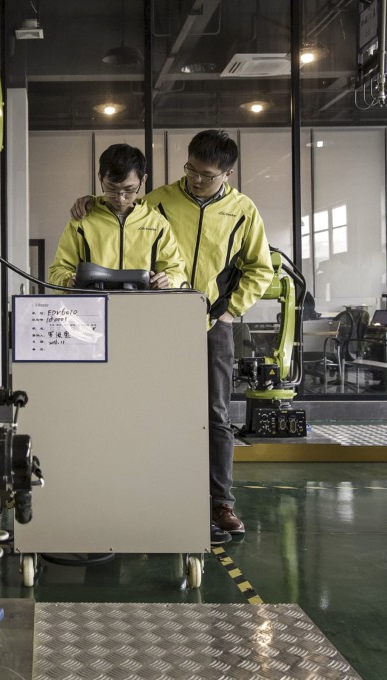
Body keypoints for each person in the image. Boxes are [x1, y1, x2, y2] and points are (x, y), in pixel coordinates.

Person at [70, 130, 273, 545]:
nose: (196, 181)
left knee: (216, 413)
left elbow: (260, 268)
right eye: (191, 170)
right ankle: (160, 496)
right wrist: (88, 202)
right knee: (157, 410)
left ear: (228, 174)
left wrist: (231, 311)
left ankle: (221, 501)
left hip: (211, 322)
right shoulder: (159, 200)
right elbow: (120, 214)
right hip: (158, 323)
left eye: (207, 175)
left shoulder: (242, 211)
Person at [48, 143, 187, 291]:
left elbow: (177, 271)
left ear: (143, 180)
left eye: (129, 189)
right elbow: (58, 270)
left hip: (143, 310)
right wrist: (68, 281)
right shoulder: (82, 221)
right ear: (100, 178)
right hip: (94, 310)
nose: (120, 198)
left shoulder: (158, 224)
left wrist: (168, 281)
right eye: (111, 189)